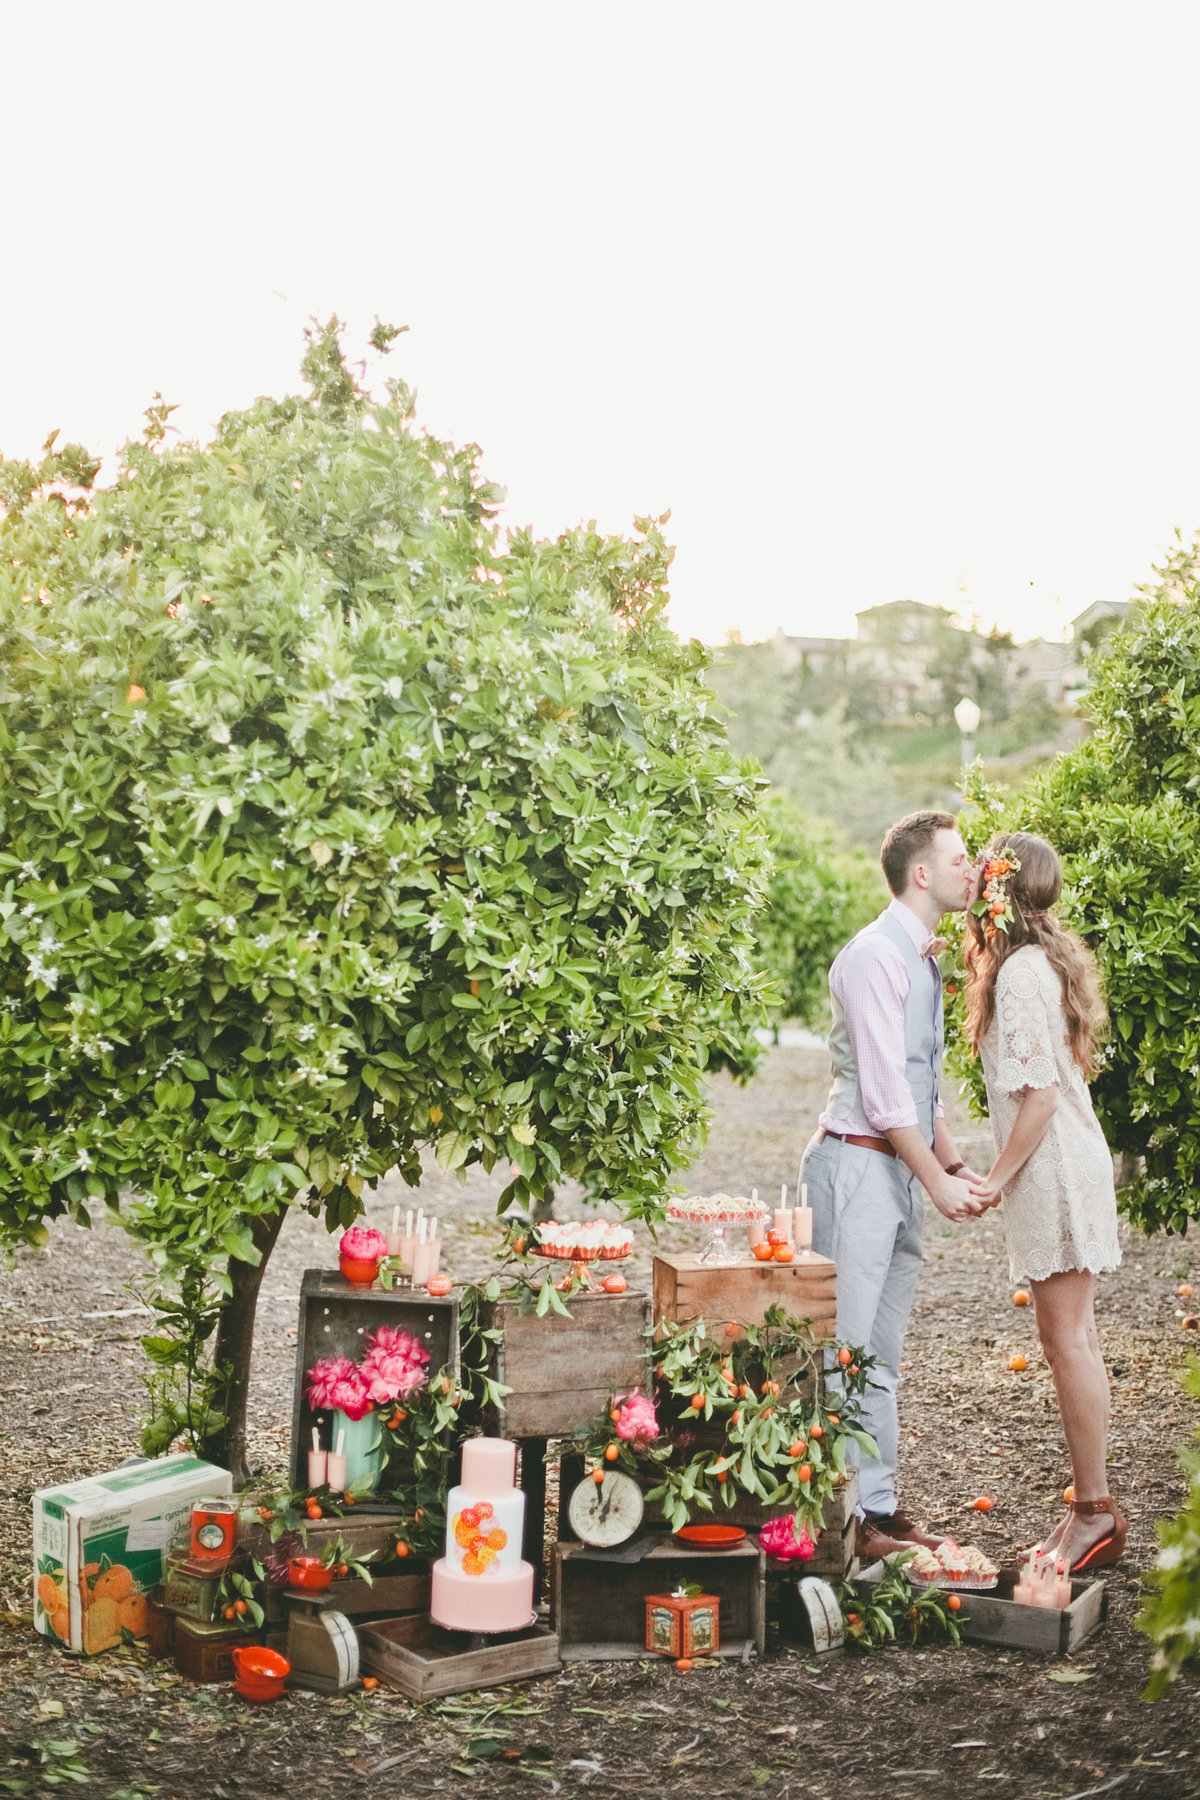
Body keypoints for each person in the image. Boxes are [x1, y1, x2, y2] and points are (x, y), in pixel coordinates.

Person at [800, 810, 987, 1562]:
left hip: (896, 1167)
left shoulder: (923, 958)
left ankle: (876, 1510)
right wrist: (933, 1178)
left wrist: (952, 1159)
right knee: (841, 1356)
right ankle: (838, 1520)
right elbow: (881, 1093)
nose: (971, 870)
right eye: (960, 859)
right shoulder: (876, 955)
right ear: (922, 873)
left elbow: (921, 1081)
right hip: (855, 1165)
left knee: (878, 1357)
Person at [964, 831, 1125, 1573]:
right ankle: (1088, 1506)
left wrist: (994, 1179)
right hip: (1064, 1162)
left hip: (1054, 1166)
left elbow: (1041, 1096)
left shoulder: (1021, 974)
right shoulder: (1034, 963)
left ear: (1000, 891)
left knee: (1065, 1344)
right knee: (1075, 1340)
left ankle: (1093, 1512)